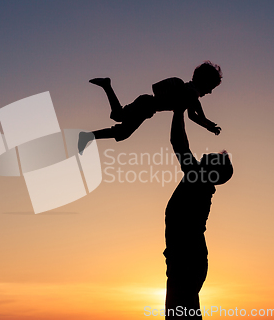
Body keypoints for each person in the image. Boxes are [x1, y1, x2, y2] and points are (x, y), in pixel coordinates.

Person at [164, 109, 233, 319]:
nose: (205, 154)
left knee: (180, 312)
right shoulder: (200, 182)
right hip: (188, 257)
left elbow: (179, 144)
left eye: (210, 156)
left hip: (187, 258)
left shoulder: (198, 179)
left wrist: (178, 111)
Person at [78, 61, 223, 154]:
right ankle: (87, 135)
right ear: (204, 81)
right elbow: (196, 114)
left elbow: (192, 115)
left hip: (146, 104)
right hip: (146, 105)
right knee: (122, 130)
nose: (209, 92)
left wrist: (207, 125)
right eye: (210, 87)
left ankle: (106, 86)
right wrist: (207, 124)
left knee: (119, 120)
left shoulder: (190, 92)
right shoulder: (192, 93)